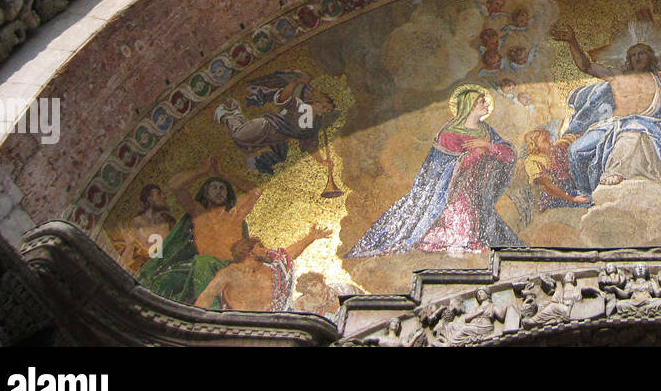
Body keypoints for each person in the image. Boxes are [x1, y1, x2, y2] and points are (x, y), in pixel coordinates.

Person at [345, 85, 521, 257]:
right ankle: (411, 238)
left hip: (476, 193)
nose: (487, 105)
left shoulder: (486, 131)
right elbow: (442, 168)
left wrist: (488, 146)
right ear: (469, 105)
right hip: (450, 193)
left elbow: (509, 154)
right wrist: (477, 153)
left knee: (477, 235)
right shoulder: (449, 134)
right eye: (482, 102)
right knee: (462, 236)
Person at [549, 23, 661, 196]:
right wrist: (572, 41)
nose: (637, 58)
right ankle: (586, 192)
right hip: (613, 125)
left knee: (630, 136)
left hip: (645, 124)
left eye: (641, 53)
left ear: (650, 56)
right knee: (576, 150)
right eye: (633, 55)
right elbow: (586, 66)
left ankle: (614, 172)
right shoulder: (618, 75)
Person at [137, 156, 263, 303]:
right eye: (214, 188)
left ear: (228, 193)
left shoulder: (235, 215)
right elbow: (175, 185)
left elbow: (256, 190)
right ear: (205, 193)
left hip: (231, 266)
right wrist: (202, 171)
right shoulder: (199, 214)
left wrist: (224, 175)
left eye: (222, 188)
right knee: (167, 279)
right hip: (205, 267)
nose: (219, 191)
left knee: (203, 262)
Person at [195, 225, 330, 312]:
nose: (266, 250)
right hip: (240, 329)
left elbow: (289, 254)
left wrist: (311, 237)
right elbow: (206, 297)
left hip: (272, 326)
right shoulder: (229, 273)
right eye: (260, 247)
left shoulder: (272, 269)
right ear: (248, 252)